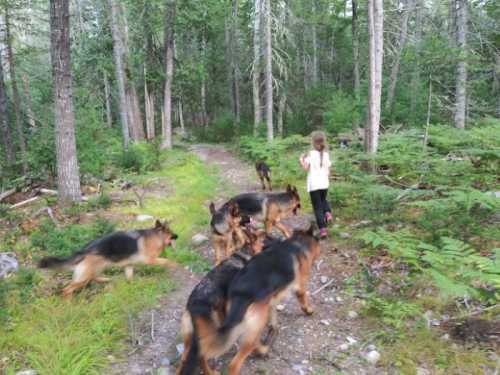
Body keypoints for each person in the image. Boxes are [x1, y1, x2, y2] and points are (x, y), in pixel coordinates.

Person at [299, 131, 332, 238]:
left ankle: (322, 230)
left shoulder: (311, 154)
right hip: (324, 183)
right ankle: (327, 213)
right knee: (323, 200)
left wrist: (301, 160)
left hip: (314, 184)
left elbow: (306, 168)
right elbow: (329, 171)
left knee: (317, 207)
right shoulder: (326, 155)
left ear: (313, 142)